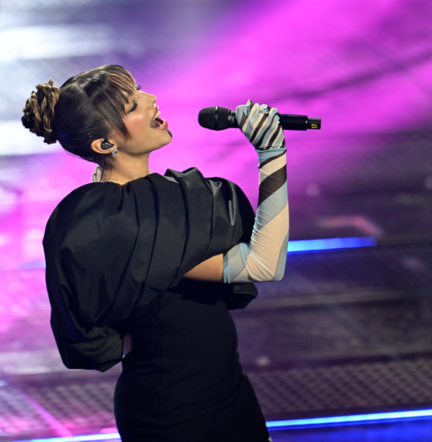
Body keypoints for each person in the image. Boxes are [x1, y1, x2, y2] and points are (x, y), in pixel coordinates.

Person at [22, 65, 288, 442]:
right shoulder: (125, 220)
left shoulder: (114, 210)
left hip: (227, 390)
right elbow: (263, 263)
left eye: (140, 91)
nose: (151, 100)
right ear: (104, 145)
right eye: (132, 105)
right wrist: (272, 154)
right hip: (178, 414)